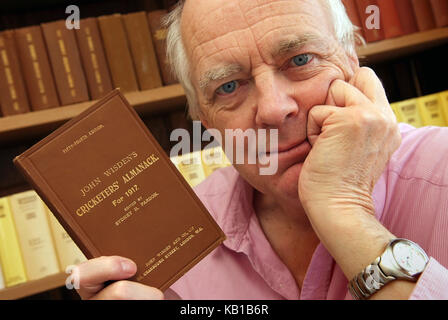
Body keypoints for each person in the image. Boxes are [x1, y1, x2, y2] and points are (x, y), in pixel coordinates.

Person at [75, 0, 448, 300]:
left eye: (300, 60)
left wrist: (344, 210)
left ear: (352, 63)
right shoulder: (170, 249)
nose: (272, 109)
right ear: (206, 121)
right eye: (229, 86)